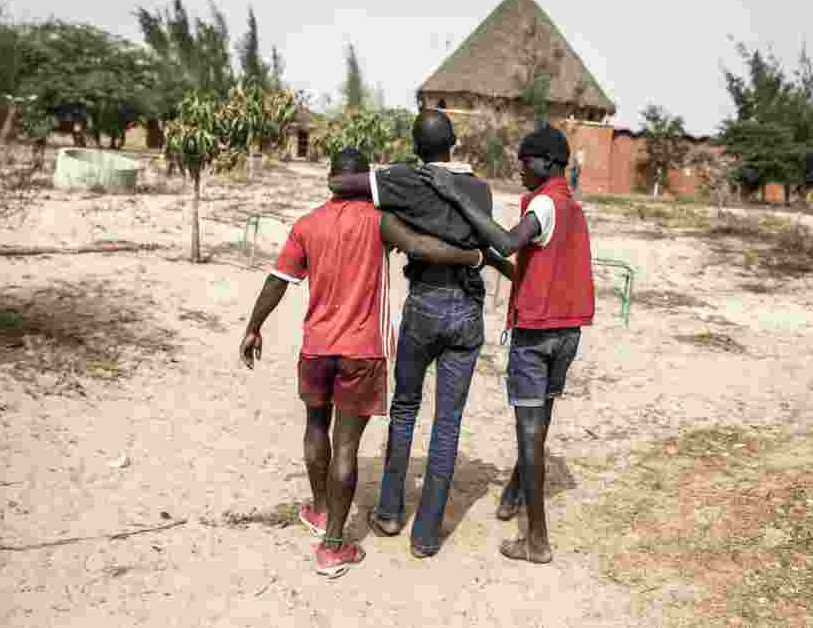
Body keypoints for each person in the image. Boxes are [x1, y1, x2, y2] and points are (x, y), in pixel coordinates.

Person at [239, 147, 486, 578]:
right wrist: (473, 257)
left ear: (333, 179)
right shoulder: (380, 220)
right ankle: (334, 545)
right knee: (347, 445)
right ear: (365, 181)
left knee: (316, 428)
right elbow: (422, 246)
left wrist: (253, 327)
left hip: (316, 347)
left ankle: (319, 511)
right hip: (361, 350)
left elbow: (278, 280)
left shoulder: (307, 224)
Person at [417, 124, 595, 564]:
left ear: (549, 164)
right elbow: (535, 262)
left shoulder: (545, 204)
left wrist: (454, 196)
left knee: (529, 432)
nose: (519, 167)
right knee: (540, 421)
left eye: (526, 160)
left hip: (536, 337)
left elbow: (507, 241)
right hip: (567, 332)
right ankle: (515, 490)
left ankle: (535, 541)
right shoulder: (571, 206)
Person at [327, 109, 496, 558]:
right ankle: (425, 536)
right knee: (448, 422)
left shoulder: (409, 180)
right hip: (467, 306)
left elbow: (341, 184)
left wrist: (395, 187)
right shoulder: (481, 188)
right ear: (454, 142)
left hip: (424, 301)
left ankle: (387, 512)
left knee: (404, 408)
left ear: (418, 147)